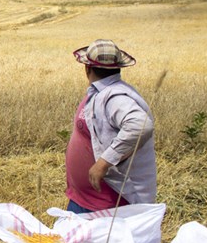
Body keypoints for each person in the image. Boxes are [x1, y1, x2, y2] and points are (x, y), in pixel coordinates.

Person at [65, 39, 157, 213]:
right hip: (86, 198)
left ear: (87, 68)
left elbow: (140, 125)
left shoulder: (115, 97)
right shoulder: (100, 93)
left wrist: (103, 163)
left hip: (107, 203)